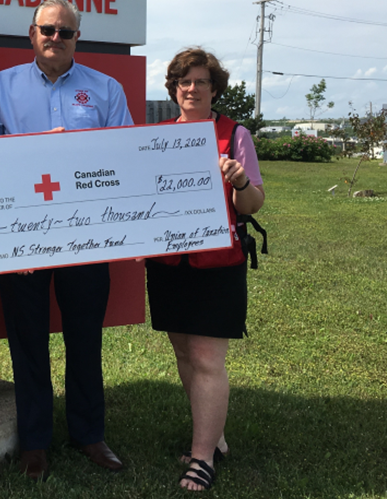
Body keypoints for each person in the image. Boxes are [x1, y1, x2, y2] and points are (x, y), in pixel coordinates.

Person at [0, 0, 132, 480]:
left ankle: (89, 434)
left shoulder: (105, 89)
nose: (56, 38)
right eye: (48, 30)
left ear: (76, 38)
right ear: (32, 33)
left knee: (85, 338)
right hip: (24, 237)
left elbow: (123, 154)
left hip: (87, 236)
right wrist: (42, 151)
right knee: (28, 341)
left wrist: (77, 152)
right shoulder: (1, 87)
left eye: (65, 32)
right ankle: (35, 441)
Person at [146, 47, 265, 491]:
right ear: (174, 89)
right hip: (168, 264)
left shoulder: (235, 135)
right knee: (183, 353)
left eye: (201, 81)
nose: (192, 89)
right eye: (184, 82)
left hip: (217, 264)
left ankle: (202, 456)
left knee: (207, 358)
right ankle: (210, 432)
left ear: (215, 89)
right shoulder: (156, 136)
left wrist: (238, 180)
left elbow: (253, 205)